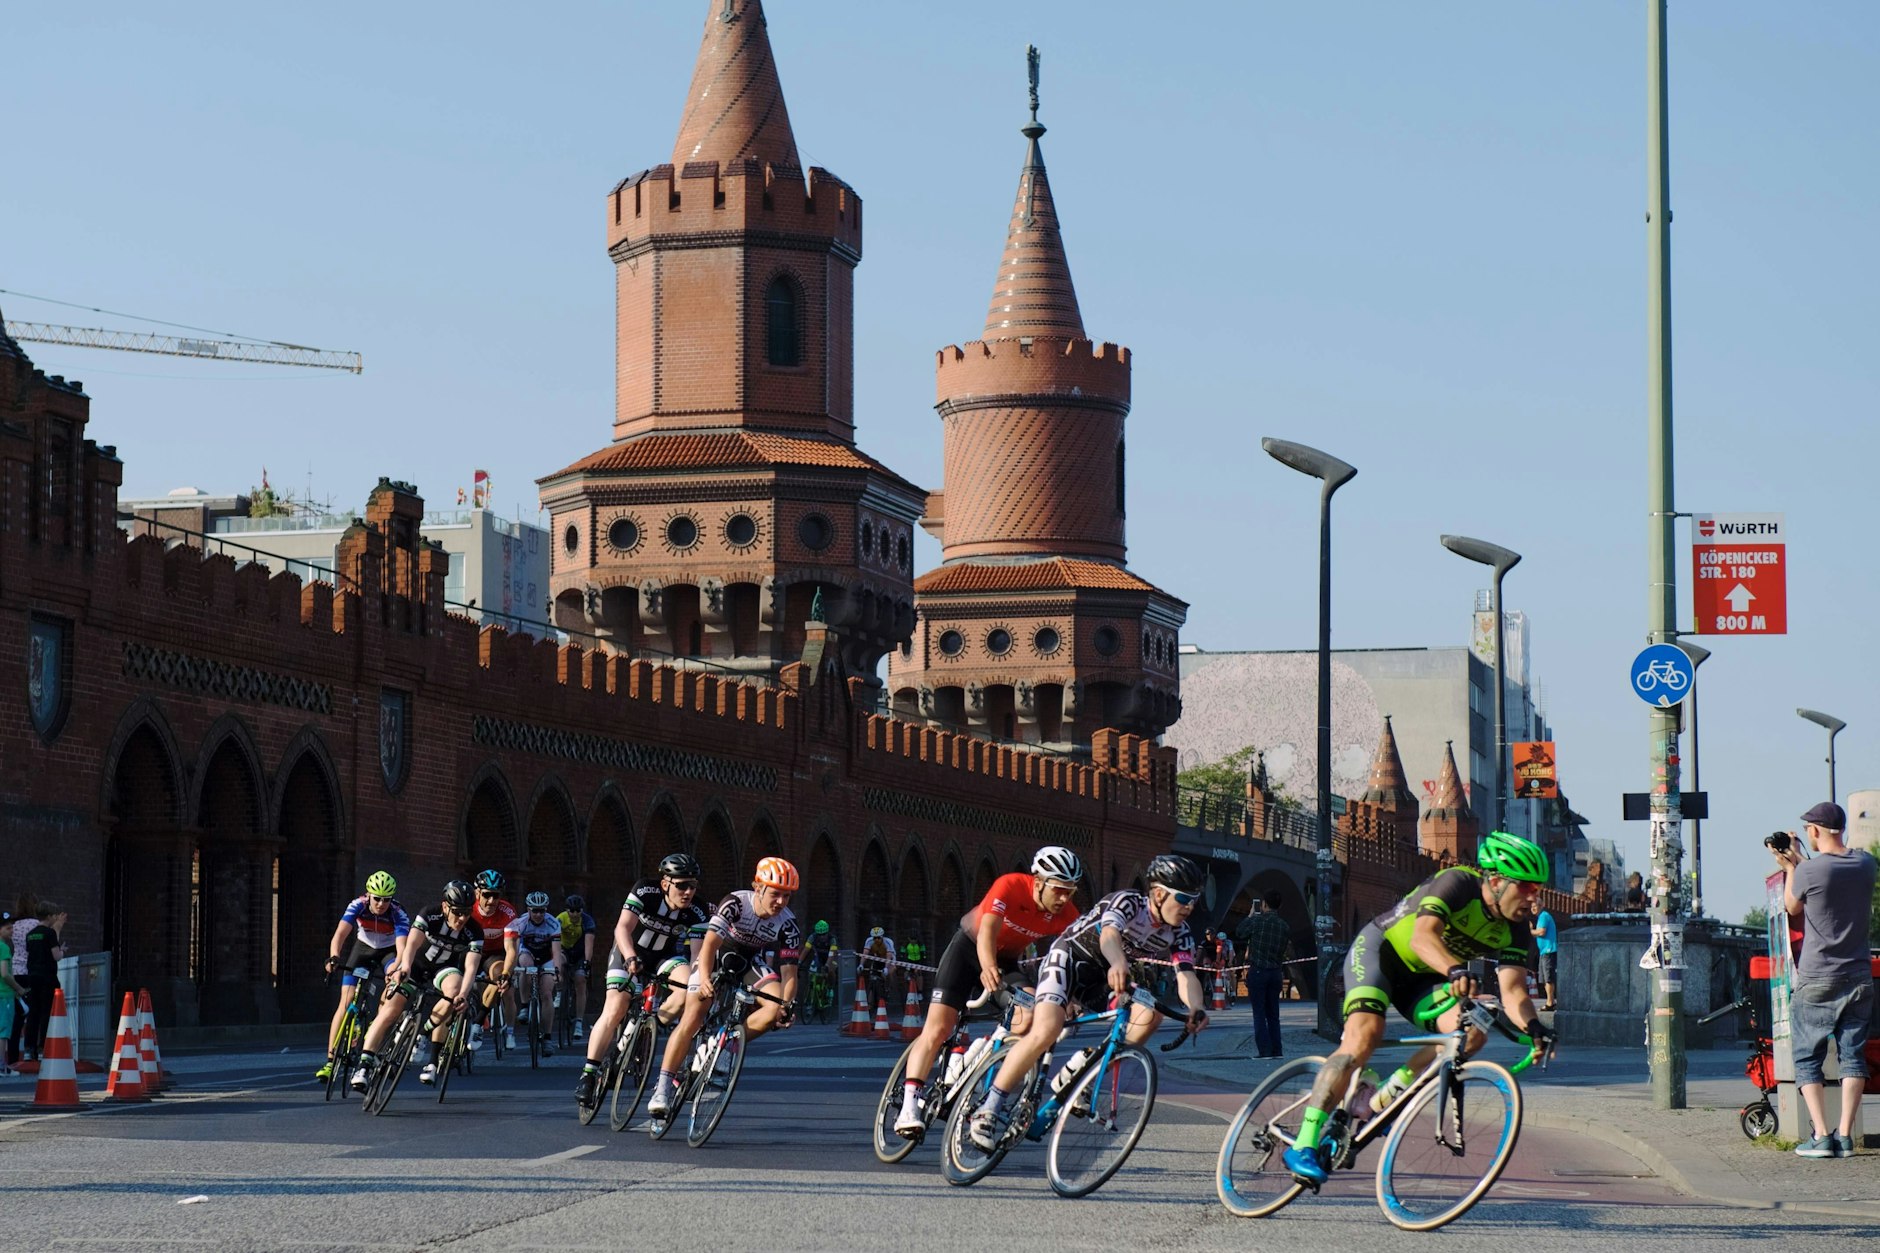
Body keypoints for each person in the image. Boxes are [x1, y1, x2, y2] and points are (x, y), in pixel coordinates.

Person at [1280, 831, 1552, 1186]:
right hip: (1382, 955)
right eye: (1527, 887)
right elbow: (1422, 937)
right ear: (1497, 881)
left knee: (1471, 1034)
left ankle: (1383, 1099)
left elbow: (1513, 990)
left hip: (1425, 979)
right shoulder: (1457, 883)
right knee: (1364, 1038)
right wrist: (1455, 970)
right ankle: (1303, 1143)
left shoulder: (1515, 929)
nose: (1534, 897)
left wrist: (1534, 1027)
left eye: (1538, 889)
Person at [966, 854, 1211, 1152]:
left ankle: (1085, 1071)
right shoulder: (1129, 902)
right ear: (1159, 894)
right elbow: (1109, 934)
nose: (1189, 907)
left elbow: (1186, 974)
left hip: (1103, 977)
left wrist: (1196, 1007)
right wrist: (1118, 962)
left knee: (1149, 1016)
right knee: (1047, 1029)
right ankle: (988, 1109)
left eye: (1194, 900)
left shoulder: (1179, 933)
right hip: (1070, 960)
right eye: (1184, 898)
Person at [894, 846, 1084, 1138]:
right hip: (969, 950)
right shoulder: (1010, 885)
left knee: (1031, 1014)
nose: (1064, 899)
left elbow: (1075, 957)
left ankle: (981, 1056)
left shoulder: (1067, 914)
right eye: (1058, 890)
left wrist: (1070, 997)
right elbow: (987, 931)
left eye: (1070, 892)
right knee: (938, 1028)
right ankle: (908, 1108)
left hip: (1006, 962)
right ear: (1038, 881)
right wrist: (987, 966)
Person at [647, 857, 801, 1120]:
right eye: (775, 894)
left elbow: (790, 973)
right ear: (758, 887)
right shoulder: (736, 903)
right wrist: (704, 978)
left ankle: (724, 1047)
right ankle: (662, 1089)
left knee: (775, 1008)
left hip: (749, 962)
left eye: (786, 896)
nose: (780, 902)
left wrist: (787, 1005)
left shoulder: (788, 923)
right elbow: (709, 944)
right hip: (716, 956)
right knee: (693, 1016)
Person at [1775, 801, 1877, 1160]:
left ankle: (1820, 1135)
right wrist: (1802, 860)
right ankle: (1845, 1136)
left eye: (1809, 829)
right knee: (1853, 1055)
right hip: (1859, 974)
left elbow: (1792, 906)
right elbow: (1831, 874)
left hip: (1817, 975)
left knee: (1808, 1057)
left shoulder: (1807, 871)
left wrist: (1791, 866)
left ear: (1815, 831)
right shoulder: (1866, 864)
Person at [574, 853, 709, 1108]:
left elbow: (696, 956)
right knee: (616, 1007)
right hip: (630, 950)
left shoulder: (698, 910)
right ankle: (588, 1075)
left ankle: (649, 1025)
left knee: (686, 989)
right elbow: (623, 928)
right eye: (682, 885)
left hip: (665, 958)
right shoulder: (645, 890)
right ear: (665, 883)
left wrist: (698, 980)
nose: (688, 892)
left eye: (693, 885)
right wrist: (630, 957)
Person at [352, 880, 484, 1091]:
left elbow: (471, 967)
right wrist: (403, 967)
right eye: (457, 912)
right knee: (391, 1009)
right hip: (415, 965)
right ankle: (364, 1066)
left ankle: (422, 1033)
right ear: (445, 907)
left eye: (467, 913)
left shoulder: (474, 931)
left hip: (443, 970)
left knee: (456, 990)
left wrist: (463, 995)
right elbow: (411, 945)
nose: (462, 918)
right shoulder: (430, 914)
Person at [317, 872, 411, 1082]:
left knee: (393, 984)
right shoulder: (357, 905)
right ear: (368, 895)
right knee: (346, 1001)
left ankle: (376, 1025)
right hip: (363, 949)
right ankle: (330, 1061)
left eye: (386, 899)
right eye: (377, 898)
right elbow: (340, 934)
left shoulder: (398, 912)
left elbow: (402, 948)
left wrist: (395, 970)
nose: (381, 904)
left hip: (388, 952)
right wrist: (334, 957)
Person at [506, 892, 565, 1057]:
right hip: (528, 953)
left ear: (546, 910)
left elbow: (556, 951)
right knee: (526, 965)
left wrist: (557, 971)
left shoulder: (553, 923)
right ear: (528, 910)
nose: (538, 914)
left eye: (542, 911)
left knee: (546, 994)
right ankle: (525, 1006)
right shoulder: (521, 923)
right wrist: (513, 969)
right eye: (535, 911)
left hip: (547, 957)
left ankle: (547, 1038)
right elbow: (515, 948)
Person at [468, 869, 520, 1050]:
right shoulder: (468, 908)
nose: (491, 901)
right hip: (470, 950)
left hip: (495, 954)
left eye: (496, 895)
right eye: (486, 895)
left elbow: (511, 948)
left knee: (501, 980)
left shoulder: (507, 912)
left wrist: (506, 973)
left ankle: (486, 1024)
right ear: (477, 893)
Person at [1237, 890, 1291, 1059]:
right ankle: (1277, 1050)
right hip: (1275, 972)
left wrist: (1250, 916)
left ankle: (1265, 1051)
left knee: (1259, 1013)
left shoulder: (1257, 921)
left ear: (1264, 904)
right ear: (1280, 906)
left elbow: (1240, 932)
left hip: (1259, 970)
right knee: (1273, 1014)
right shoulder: (1284, 926)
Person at [20, 903, 65, 1061]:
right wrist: (62, 951)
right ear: (49, 916)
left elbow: (30, 953)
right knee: (46, 1012)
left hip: (32, 976)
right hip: (47, 977)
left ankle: (28, 1049)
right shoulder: (50, 933)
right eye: (54, 916)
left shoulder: (30, 934)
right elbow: (56, 956)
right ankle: (42, 1048)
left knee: (33, 1012)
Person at [556, 894, 597, 1040]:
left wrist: (587, 962)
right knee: (559, 963)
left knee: (580, 980)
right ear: (567, 910)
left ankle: (579, 1022)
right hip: (564, 950)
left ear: (582, 910)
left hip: (580, 953)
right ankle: (559, 992)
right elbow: (554, 941)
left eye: (578, 910)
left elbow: (589, 943)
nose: (574, 914)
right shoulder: (560, 919)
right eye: (571, 911)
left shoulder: (587, 921)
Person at [0, 923, 24, 1077]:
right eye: (8, 928)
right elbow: (5, 973)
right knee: (3, 1031)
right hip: (4, 994)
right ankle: (2, 1066)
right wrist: (18, 988)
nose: (12, 931)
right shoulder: (3, 947)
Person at [862, 926, 896, 1010]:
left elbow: (889, 956)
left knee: (889, 973)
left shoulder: (888, 942)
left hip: (889, 959)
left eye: (878, 938)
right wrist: (861, 965)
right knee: (872, 977)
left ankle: (888, 988)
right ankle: (870, 1003)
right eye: (874, 938)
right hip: (877, 959)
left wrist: (886, 968)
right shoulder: (869, 941)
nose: (876, 940)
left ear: (882, 937)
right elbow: (865, 954)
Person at [1532, 905, 1558, 1011]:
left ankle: (1550, 1003)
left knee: (1548, 977)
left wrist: (1530, 931)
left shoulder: (1543, 916)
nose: (1532, 908)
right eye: (1531, 906)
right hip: (1543, 951)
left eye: (1535, 906)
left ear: (1541, 906)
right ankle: (1549, 1001)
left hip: (1548, 950)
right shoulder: (1541, 917)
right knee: (1544, 978)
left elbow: (1541, 932)